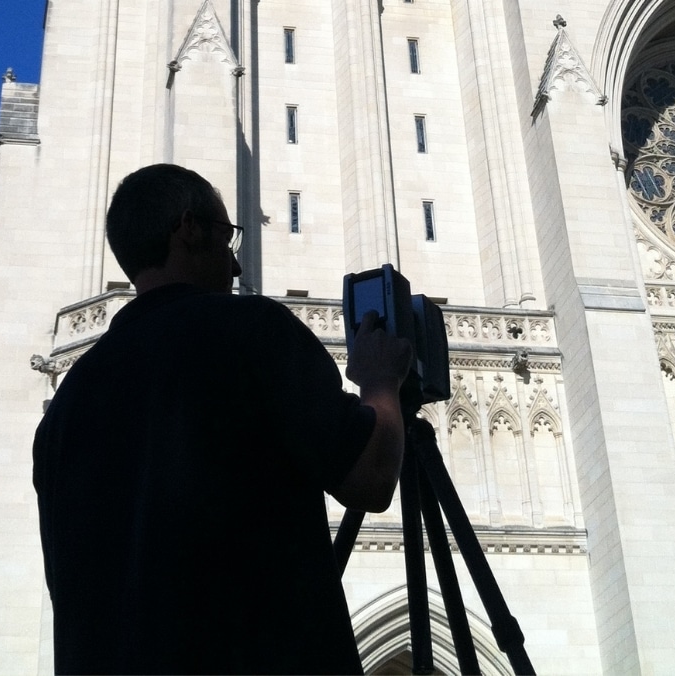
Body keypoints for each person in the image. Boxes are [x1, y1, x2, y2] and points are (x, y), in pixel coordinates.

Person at [33, 163, 412, 674]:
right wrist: (380, 382)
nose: (235, 268)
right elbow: (371, 474)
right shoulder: (249, 331)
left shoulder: (63, 411)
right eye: (228, 238)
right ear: (188, 229)